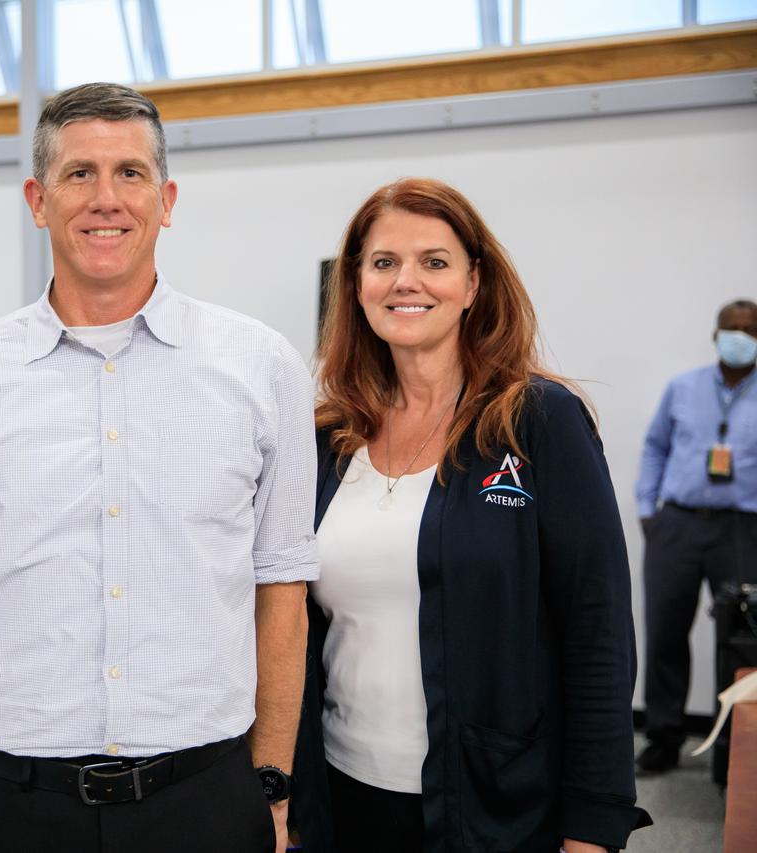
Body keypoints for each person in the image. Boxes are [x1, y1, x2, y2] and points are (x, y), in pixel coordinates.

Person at [0, 82, 318, 853]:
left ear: (168, 198)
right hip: (4, 808)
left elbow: (281, 592)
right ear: (37, 199)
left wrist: (272, 794)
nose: (105, 198)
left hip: (203, 805)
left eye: (130, 173)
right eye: (79, 173)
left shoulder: (263, 369)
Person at [290, 178, 651, 852]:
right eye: (383, 262)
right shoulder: (325, 438)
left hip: (500, 807)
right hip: (342, 796)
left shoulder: (539, 422)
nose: (407, 281)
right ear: (356, 283)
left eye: (434, 261)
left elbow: (598, 628)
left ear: (474, 282)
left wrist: (594, 826)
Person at [634, 299, 757, 773]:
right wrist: (649, 511)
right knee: (665, 631)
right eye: (732, 328)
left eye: (749, 330)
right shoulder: (682, 388)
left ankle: (734, 747)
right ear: (715, 334)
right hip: (678, 524)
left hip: (743, 529)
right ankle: (663, 738)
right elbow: (655, 447)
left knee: (741, 640)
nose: (739, 336)